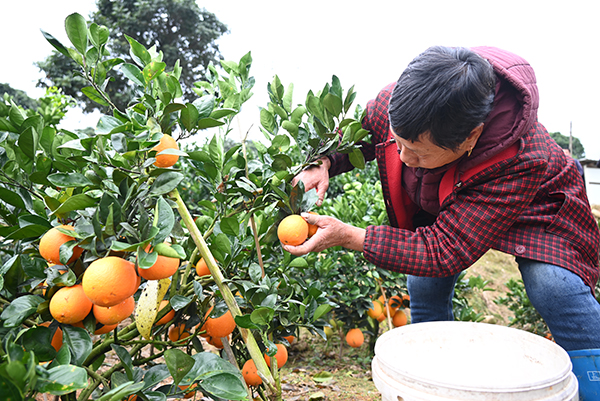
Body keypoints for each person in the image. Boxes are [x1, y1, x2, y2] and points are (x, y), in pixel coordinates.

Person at [286, 46, 600, 353]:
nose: (404, 158)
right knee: (423, 283)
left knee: (553, 286)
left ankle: (592, 371)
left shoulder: (522, 158)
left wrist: (351, 236)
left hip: (540, 208)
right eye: (398, 143)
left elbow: (445, 249)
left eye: (419, 151)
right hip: (450, 195)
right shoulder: (398, 105)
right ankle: (433, 365)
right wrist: (323, 161)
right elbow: (362, 136)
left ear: (470, 138)